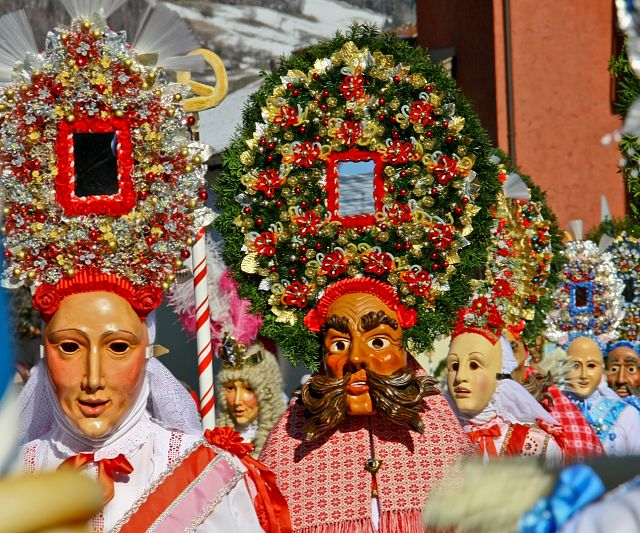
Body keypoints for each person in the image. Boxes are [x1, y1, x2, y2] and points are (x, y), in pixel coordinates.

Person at [1, 3, 289, 531]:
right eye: (69, 346)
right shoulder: (12, 480)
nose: (92, 379)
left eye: (117, 347)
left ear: (148, 348)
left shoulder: (208, 477)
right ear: (42, 348)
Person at [213, 26, 507, 531]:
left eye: (378, 338)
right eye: (337, 340)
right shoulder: (293, 436)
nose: (355, 359)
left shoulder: (438, 432)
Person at [563, 336, 640, 455]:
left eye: (591, 366)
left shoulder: (626, 413)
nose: (583, 375)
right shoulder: (551, 410)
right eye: (575, 365)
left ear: (602, 369)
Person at [217, 341, 287, 456]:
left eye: (248, 389)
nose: (237, 401)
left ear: (267, 393)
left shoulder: (283, 443)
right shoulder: (212, 437)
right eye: (230, 388)